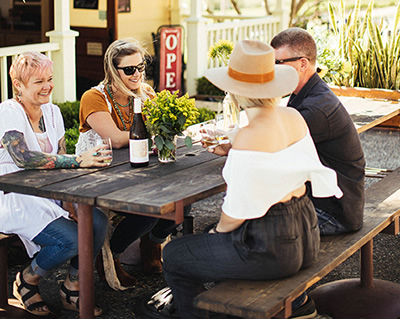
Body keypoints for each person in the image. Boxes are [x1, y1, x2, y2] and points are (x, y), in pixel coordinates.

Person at [162, 39, 343, 319]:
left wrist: (215, 234)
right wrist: (235, 143)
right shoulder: (293, 116)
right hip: (307, 232)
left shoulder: (249, 135)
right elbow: (276, 157)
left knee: (175, 254)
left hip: (271, 250)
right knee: (210, 247)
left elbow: (234, 213)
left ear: (235, 92)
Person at [0, 52, 109, 316]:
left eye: (49, 79)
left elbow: (57, 158)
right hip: (13, 195)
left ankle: (72, 286)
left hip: (48, 191)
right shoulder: (8, 111)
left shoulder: (52, 111)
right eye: (38, 82)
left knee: (96, 221)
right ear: (19, 85)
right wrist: (78, 160)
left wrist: (69, 198)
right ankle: (27, 280)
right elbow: (23, 157)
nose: (47, 86)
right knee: (70, 240)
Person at [76, 38, 190, 288]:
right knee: (148, 210)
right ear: (112, 70)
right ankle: (111, 257)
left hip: (137, 172)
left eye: (140, 66)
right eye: (129, 69)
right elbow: (116, 140)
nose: (137, 74)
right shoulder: (94, 97)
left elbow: (165, 126)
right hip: (99, 176)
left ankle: (152, 244)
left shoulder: (146, 93)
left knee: (183, 199)